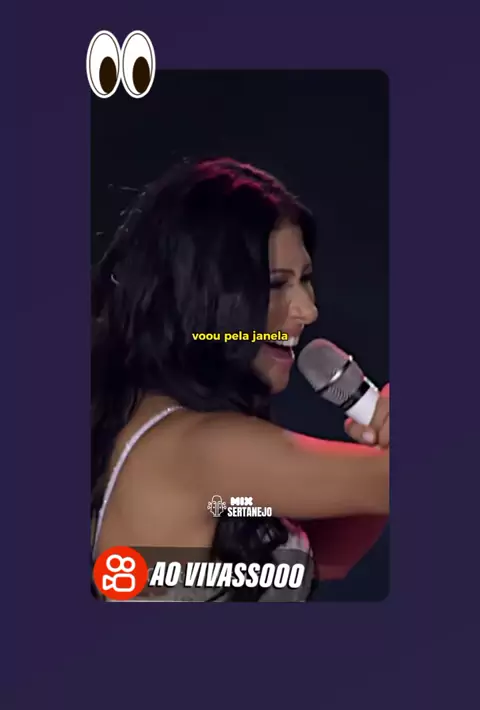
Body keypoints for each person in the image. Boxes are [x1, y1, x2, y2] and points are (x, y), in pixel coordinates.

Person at [91, 157, 389, 601]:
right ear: (202, 294)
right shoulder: (204, 447)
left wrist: (379, 453)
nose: (308, 311)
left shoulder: (149, 422)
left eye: (305, 279)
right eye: (276, 284)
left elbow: (328, 560)